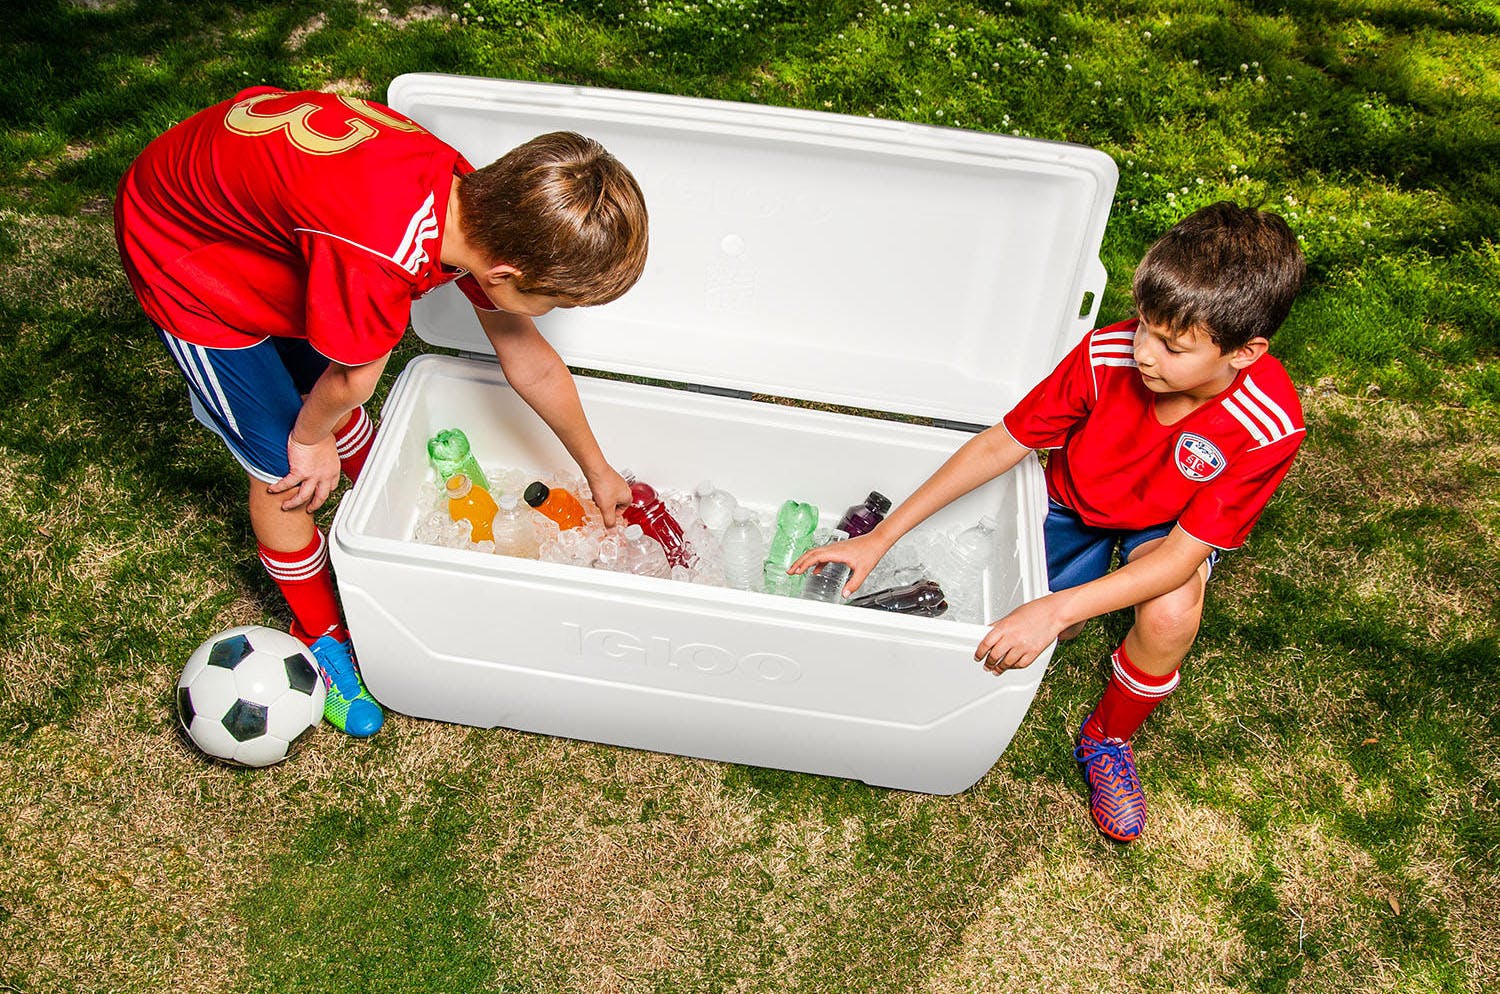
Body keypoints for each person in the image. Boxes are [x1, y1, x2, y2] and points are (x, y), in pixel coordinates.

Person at [115, 87, 648, 739]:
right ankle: (320, 629)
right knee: (285, 466)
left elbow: (529, 359)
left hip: (262, 221)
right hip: (185, 252)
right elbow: (350, 381)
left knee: (329, 393)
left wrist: (598, 470)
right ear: (506, 271)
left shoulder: (473, 197)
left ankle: (368, 492)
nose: (552, 315)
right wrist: (309, 438)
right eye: (555, 302)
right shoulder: (380, 258)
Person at [793, 202, 1305, 842]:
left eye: (1172, 345)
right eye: (1143, 325)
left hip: (1165, 530)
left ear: (1246, 352)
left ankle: (1107, 739)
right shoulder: (1107, 354)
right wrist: (883, 533)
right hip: (1072, 496)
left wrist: (1057, 609)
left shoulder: (1267, 424)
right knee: (994, 622)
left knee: (1170, 611)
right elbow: (1000, 444)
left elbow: (1179, 557)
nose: (1142, 351)